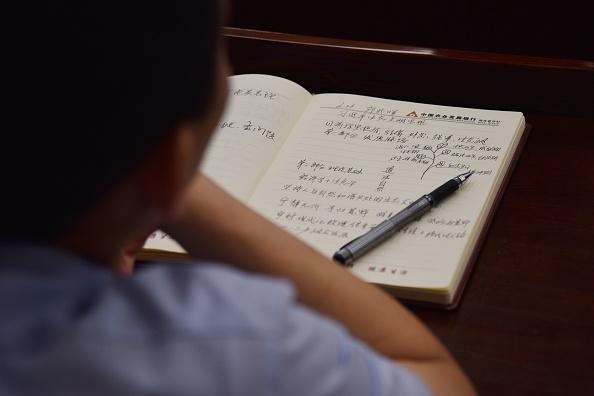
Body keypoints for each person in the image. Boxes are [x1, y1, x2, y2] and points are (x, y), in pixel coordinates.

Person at [0, 1, 475, 395]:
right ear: (166, 162)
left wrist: (142, 183)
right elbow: (435, 377)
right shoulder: (228, 343)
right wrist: (171, 188)